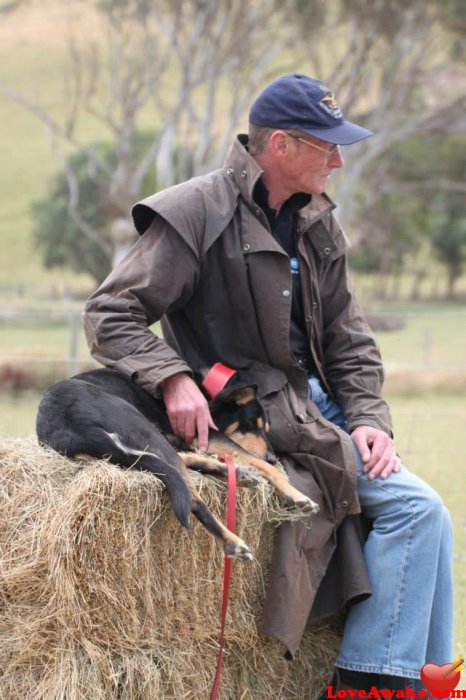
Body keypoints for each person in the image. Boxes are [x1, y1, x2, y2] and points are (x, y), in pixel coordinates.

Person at [83, 74, 454, 692]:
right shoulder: (195, 211)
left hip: (320, 409)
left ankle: (426, 683)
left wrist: (367, 419)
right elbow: (109, 314)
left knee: (431, 520)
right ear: (281, 145)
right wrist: (172, 377)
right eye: (327, 146)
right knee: (419, 510)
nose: (339, 159)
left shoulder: (316, 222)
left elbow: (348, 339)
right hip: (250, 413)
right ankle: (371, 685)